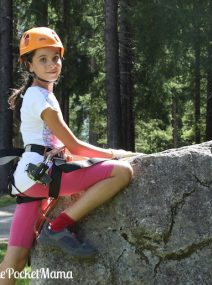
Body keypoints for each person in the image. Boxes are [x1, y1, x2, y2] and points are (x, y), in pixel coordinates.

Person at [0, 27, 138, 284]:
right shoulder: (41, 98)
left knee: (14, 261)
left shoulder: (38, 94)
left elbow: (57, 146)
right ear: (29, 65)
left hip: (29, 181)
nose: (52, 64)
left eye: (55, 58)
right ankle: (58, 226)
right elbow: (74, 146)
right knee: (122, 172)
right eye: (43, 59)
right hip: (43, 177)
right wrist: (116, 153)